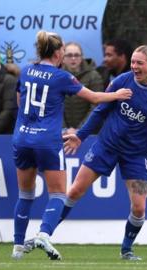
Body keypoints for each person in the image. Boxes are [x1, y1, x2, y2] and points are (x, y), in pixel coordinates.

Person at [11, 30, 132, 260]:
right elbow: (95, 98)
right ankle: (44, 234)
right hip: (47, 140)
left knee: (25, 194)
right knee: (57, 194)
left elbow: (19, 101)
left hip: (22, 137)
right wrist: (116, 95)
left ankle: (17, 248)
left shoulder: (26, 71)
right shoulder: (62, 77)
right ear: (58, 53)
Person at [59, 45, 147, 261]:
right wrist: (81, 136)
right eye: (132, 61)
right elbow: (100, 111)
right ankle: (44, 235)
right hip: (106, 146)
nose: (134, 66)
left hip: (136, 155)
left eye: (139, 62)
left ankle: (126, 250)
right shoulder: (121, 81)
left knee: (139, 208)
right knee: (74, 191)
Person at [62, 42, 104, 135]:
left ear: (82, 57)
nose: (73, 58)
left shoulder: (93, 76)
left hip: (88, 132)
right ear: (63, 58)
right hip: (62, 133)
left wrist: (80, 129)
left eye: (76, 55)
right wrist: (64, 129)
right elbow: (54, 105)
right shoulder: (58, 75)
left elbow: (96, 106)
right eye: (69, 55)